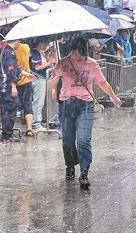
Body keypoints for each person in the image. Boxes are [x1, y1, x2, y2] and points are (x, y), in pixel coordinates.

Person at [49, 37, 122, 190]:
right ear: (71, 50)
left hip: (85, 105)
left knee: (83, 140)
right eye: (75, 53)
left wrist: (113, 97)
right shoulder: (63, 63)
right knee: (68, 141)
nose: (78, 57)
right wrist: (57, 76)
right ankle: (70, 165)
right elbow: (50, 86)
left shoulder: (92, 64)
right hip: (67, 105)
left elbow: (102, 82)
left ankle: (84, 172)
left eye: (81, 53)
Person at [0, 39, 22, 141]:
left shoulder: (4, 51)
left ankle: (7, 133)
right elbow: (11, 70)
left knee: (7, 110)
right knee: (10, 110)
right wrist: (13, 85)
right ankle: (7, 134)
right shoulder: (9, 52)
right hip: (8, 86)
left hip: (4, 85)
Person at [29, 39, 52, 131]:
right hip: (38, 79)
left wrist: (47, 56)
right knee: (38, 102)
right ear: (39, 43)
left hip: (40, 79)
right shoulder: (35, 53)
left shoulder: (40, 53)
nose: (45, 44)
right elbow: (37, 67)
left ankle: (38, 120)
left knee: (39, 102)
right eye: (44, 42)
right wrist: (49, 62)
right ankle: (36, 123)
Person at [14, 40, 35, 136]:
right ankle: (29, 128)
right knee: (28, 106)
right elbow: (29, 58)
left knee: (13, 107)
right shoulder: (26, 47)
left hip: (15, 82)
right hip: (26, 80)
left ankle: (13, 128)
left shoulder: (9, 51)